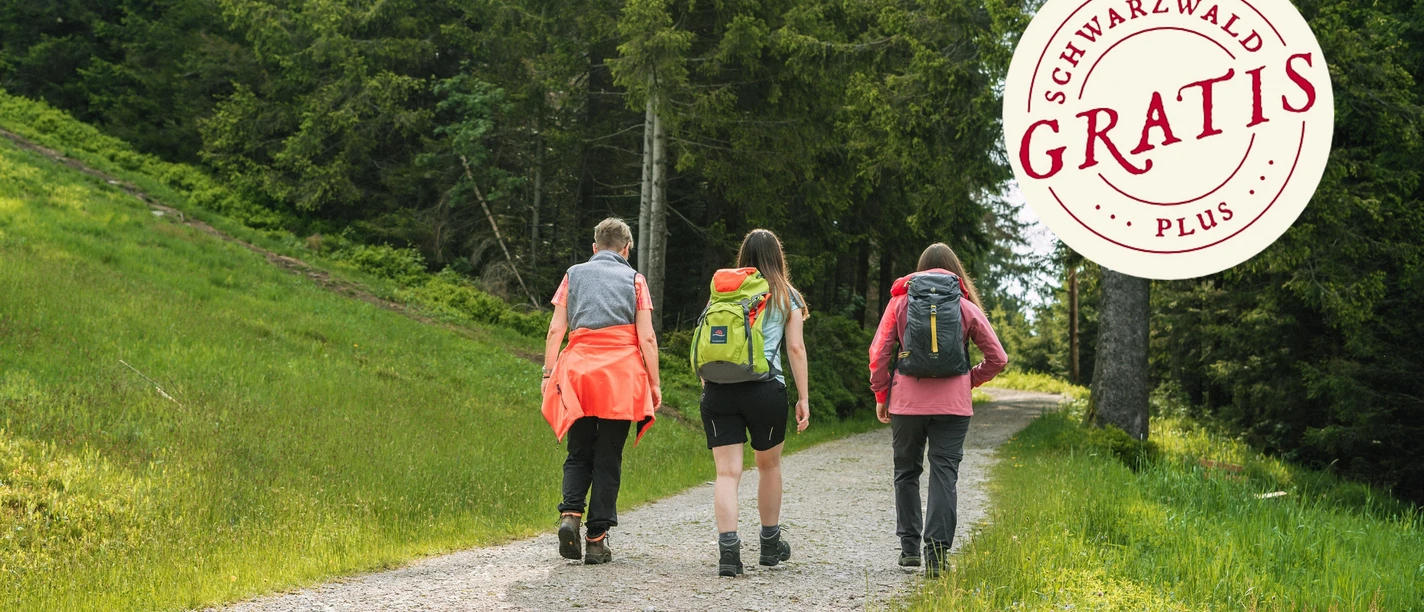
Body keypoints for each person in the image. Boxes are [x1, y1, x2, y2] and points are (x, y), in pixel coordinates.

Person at [868, 243, 1007, 577]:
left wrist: (881, 393)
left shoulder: (900, 302)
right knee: (944, 474)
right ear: (955, 271)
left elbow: (879, 353)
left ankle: (909, 550)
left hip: (906, 404)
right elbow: (998, 358)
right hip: (954, 406)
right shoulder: (964, 306)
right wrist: (969, 380)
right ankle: (937, 557)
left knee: (906, 472)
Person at [541, 218, 661, 565]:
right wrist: (653, 384)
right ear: (627, 249)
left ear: (594, 248)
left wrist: (549, 375)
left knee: (579, 451)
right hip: (621, 377)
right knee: (609, 456)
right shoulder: (636, 279)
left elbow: (556, 329)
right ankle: (596, 541)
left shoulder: (573, 274)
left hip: (578, 373)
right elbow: (647, 337)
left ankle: (570, 516)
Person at [700, 229, 811, 577]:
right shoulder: (785, 294)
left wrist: (708, 383)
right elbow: (795, 349)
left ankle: (729, 553)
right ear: (778, 257)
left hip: (720, 387)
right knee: (768, 467)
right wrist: (804, 397)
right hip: (765, 389)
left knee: (726, 473)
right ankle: (769, 545)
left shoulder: (723, 290)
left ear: (743, 256)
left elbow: (709, 340)